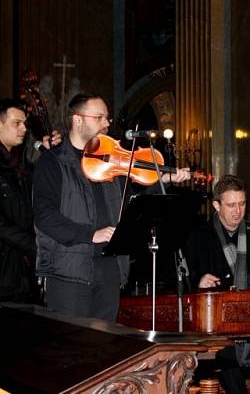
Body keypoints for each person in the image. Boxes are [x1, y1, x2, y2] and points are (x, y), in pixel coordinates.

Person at [32, 92, 189, 322]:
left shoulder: (112, 161)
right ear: (77, 119)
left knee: (105, 348)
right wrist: (90, 234)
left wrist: (161, 182)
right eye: (99, 117)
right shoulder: (52, 162)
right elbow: (45, 216)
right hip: (69, 270)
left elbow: (131, 203)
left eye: (107, 118)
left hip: (110, 268)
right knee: (71, 349)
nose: (107, 123)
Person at [184, 174, 250, 394]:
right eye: (231, 205)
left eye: (242, 204)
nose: (237, 211)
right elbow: (181, 277)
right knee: (226, 357)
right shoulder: (198, 236)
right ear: (216, 205)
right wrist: (198, 281)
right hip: (215, 331)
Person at [0, 99, 60, 303]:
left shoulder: (20, 164)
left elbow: (42, 194)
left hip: (22, 273)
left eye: (24, 123)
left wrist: (50, 156)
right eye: (16, 123)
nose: (24, 128)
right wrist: (38, 245)